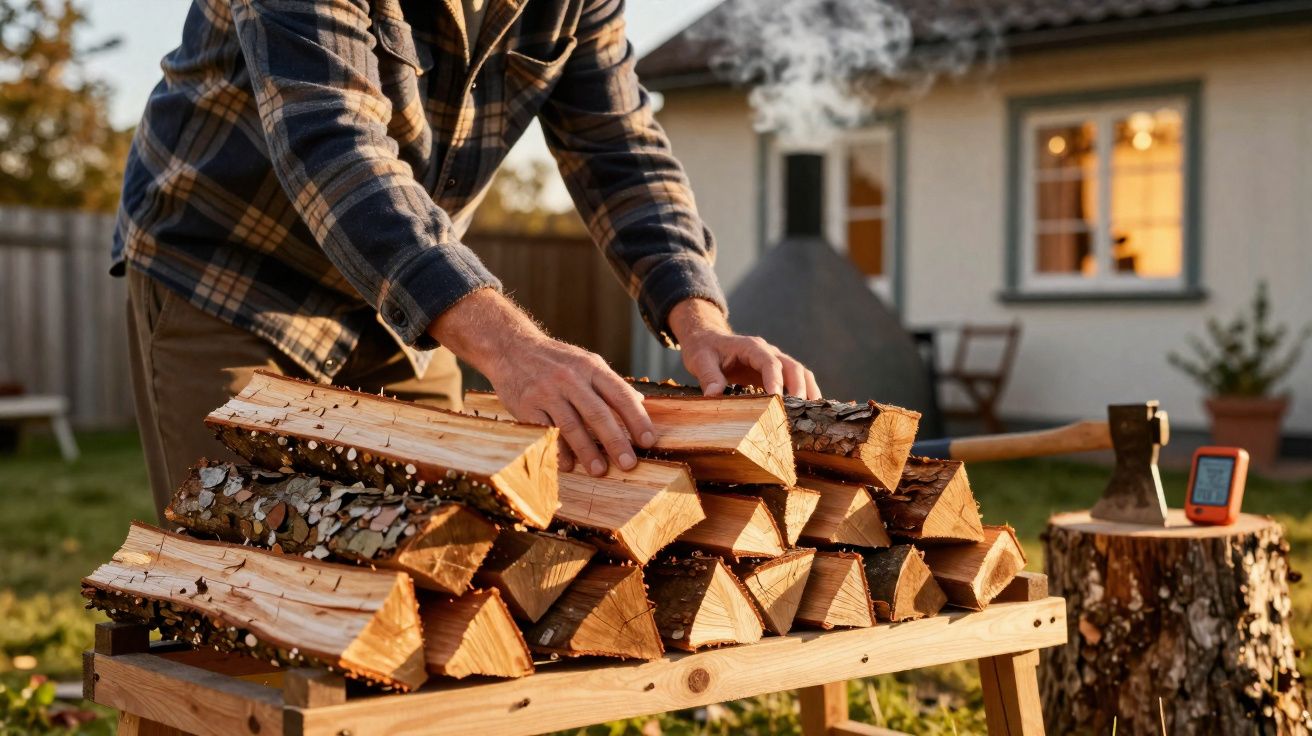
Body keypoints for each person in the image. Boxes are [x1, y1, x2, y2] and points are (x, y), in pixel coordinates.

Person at [114, 0, 820, 520]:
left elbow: (620, 150)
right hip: (230, 274)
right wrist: (513, 349)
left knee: (438, 568)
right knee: (243, 586)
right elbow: (330, 140)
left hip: (403, 306)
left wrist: (698, 319)